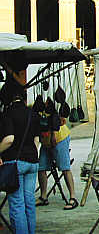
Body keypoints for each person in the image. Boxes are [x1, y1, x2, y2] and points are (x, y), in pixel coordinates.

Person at [0, 94, 41, 234]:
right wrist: (32, 154)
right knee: (29, 201)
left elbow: (9, 139)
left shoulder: (7, 113)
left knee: (17, 203)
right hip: (33, 161)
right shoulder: (32, 113)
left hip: (15, 161)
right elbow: (37, 139)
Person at [36, 117, 78, 210]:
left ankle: (73, 197)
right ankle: (43, 196)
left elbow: (58, 118)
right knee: (41, 168)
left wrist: (54, 134)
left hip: (59, 138)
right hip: (46, 140)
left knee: (65, 168)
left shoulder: (55, 105)